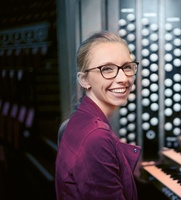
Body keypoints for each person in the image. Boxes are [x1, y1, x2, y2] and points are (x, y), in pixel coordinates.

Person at [55, 31, 141, 200]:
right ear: (84, 80)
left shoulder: (78, 121)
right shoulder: (96, 138)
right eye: (107, 69)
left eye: (127, 67)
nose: (123, 78)